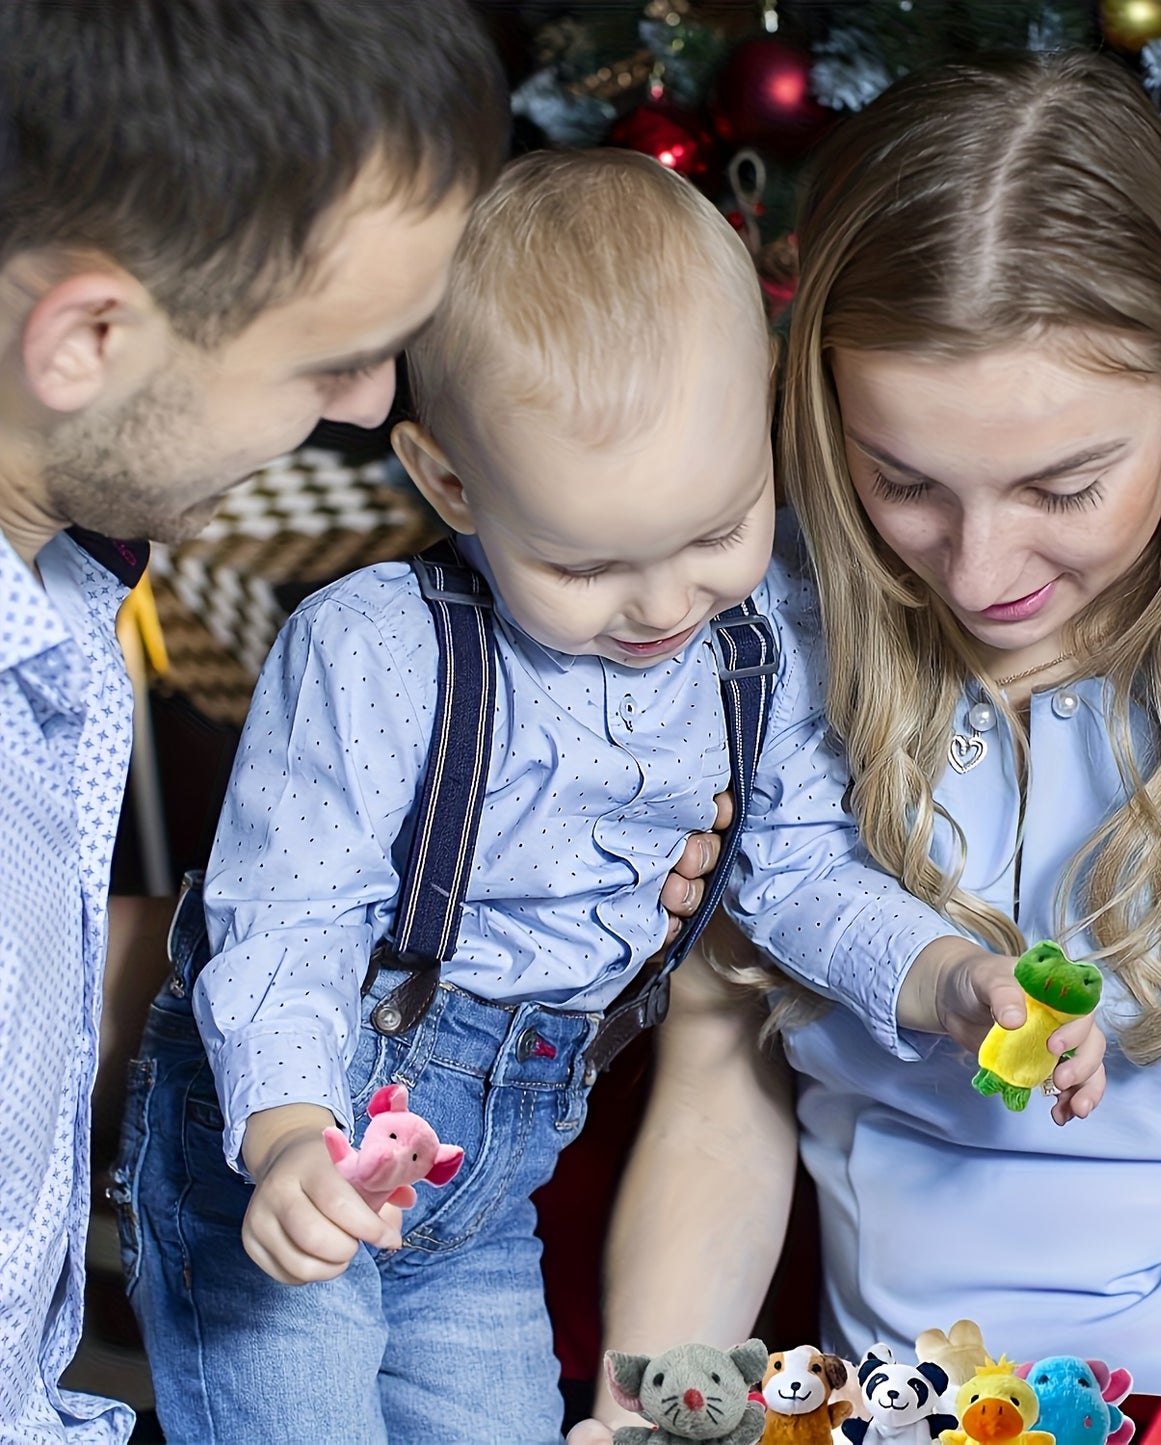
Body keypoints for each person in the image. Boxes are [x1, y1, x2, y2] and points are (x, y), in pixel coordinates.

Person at [116, 148, 1107, 1445]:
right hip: (297, 1131)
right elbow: (287, 914)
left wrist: (946, 976)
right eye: (583, 561)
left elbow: (801, 876)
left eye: (714, 528)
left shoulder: (760, 639)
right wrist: (291, 1132)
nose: (660, 605)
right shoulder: (375, 652)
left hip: (490, 1172)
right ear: (450, 482)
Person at [572, 49, 1161, 1433]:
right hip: (908, 1404)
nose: (978, 574)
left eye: (1063, 484)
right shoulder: (755, 638)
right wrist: (646, 1411)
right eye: (902, 482)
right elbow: (716, 1101)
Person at [0, 2, 510, 1435]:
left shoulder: (59, 584)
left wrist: (362, 917)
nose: (370, 409)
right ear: (89, 336)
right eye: (327, 358)